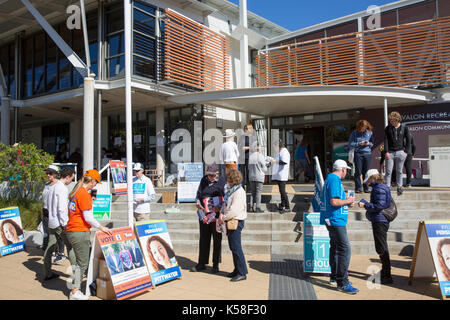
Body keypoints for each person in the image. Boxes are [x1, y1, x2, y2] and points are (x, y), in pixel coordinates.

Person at [66, 169, 112, 300]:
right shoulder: (83, 194)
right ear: (91, 181)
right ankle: (75, 292)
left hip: (72, 230)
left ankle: (76, 287)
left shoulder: (76, 192)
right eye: (95, 183)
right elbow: (88, 217)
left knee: (78, 262)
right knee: (83, 263)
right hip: (79, 231)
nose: (95, 185)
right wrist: (101, 227)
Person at [320, 159, 358, 294]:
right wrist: (347, 201)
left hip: (332, 219)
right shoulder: (335, 180)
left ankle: (335, 277)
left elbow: (334, 201)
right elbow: (334, 201)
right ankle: (342, 281)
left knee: (336, 248)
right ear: (342, 169)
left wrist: (346, 203)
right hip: (336, 220)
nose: (346, 172)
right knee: (344, 249)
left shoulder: (330, 179)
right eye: (346, 170)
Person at [358, 169, 393, 284]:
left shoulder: (379, 188)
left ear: (373, 178)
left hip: (380, 220)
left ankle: (387, 275)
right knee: (381, 246)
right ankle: (386, 272)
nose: (368, 182)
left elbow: (379, 205)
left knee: (381, 247)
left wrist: (365, 205)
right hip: (380, 219)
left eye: (368, 180)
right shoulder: (380, 187)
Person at [42, 167, 76, 281]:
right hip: (59, 223)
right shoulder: (62, 188)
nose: (71, 180)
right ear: (67, 177)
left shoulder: (52, 187)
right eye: (72, 178)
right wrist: (65, 224)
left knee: (50, 247)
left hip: (52, 222)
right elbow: (61, 209)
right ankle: (77, 274)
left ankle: (47, 272)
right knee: (70, 247)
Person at [192, 164, 226, 274]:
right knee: (204, 238)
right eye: (208, 175)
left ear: (217, 174)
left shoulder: (222, 182)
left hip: (216, 215)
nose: (209, 177)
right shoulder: (204, 180)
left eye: (212, 175)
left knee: (217, 239)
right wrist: (198, 202)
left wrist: (220, 208)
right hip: (204, 213)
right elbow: (199, 193)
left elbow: (226, 198)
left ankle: (215, 264)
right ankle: (202, 263)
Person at [218, 169, 248, 282]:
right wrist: (222, 213)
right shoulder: (232, 190)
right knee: (233, 247)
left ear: (232, 180)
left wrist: (223, 218)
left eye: (228, 180)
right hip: (230, 220)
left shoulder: (239, 192)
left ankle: (242, 272)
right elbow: (225, 204)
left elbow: (234, 210)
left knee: (236, 247)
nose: (227, 182)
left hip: (236, 221)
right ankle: (237, 269)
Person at [384, 111, 411, 196]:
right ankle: (387, 187)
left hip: (400, 152)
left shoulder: (404, 127)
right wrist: (386, 151)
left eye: (393, 121)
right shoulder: (388, 128)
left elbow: (408, 140)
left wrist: (406, 151)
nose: (391, 122)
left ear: (397, 120)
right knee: (388, 171)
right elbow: (386, 140)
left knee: (399, 171)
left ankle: (399, 187)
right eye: (390, 121)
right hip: (390, 152)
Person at [348, 120, 374, 193]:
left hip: (367, 153)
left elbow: (372, 143)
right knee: (358, 171)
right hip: (358, 153)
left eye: (364, 128)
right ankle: (358, 188)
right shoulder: (354, 133)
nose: (362, 130)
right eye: (361, 128)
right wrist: (359, 143)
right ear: (359, 127)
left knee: (366, 172)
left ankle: (366, 188)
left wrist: (368, 143)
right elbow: (350, 143)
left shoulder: (369, 132)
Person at [41, 165, 60, 252]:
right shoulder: (46, 184)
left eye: (50, 173)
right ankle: (46, 250)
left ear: (55, 174)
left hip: (54, 213)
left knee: (54, 234)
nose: (48, 175)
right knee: (46, 233)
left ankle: (56, 251)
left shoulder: (59, 185)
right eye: (47, 173)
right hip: (45, 212)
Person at [271, 139, 291, 213]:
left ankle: (287, 206)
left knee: (283, 191)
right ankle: (282, 205)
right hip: (279, 175)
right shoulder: (280, 152)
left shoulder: (284, 152)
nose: (274, 149)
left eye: (275, 147)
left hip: (282, 175)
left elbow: (284, 162)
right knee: (281, 191)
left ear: (278, 146)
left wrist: (275, 161)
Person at [248, 141, 267, 213]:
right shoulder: (260, 156)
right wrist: (267, 166)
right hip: (259, 176)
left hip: (251, 176)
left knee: (252, 192)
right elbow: (264, 168)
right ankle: (258, 208)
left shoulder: (251, 156)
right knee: (258, 192)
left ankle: (251, 207)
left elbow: (249, 167)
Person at [240, 123, 255, 190]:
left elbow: (255, 148)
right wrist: (248, 147)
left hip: (250, 157)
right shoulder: (242, 137)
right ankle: (242, 187)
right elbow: (240, 147)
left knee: (249, 172)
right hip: (242, 157)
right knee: (242, 173)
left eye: (248, 128)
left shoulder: (253, 138)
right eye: (245, 128)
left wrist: (247, 147)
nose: (246, 129)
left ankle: (249, 187)